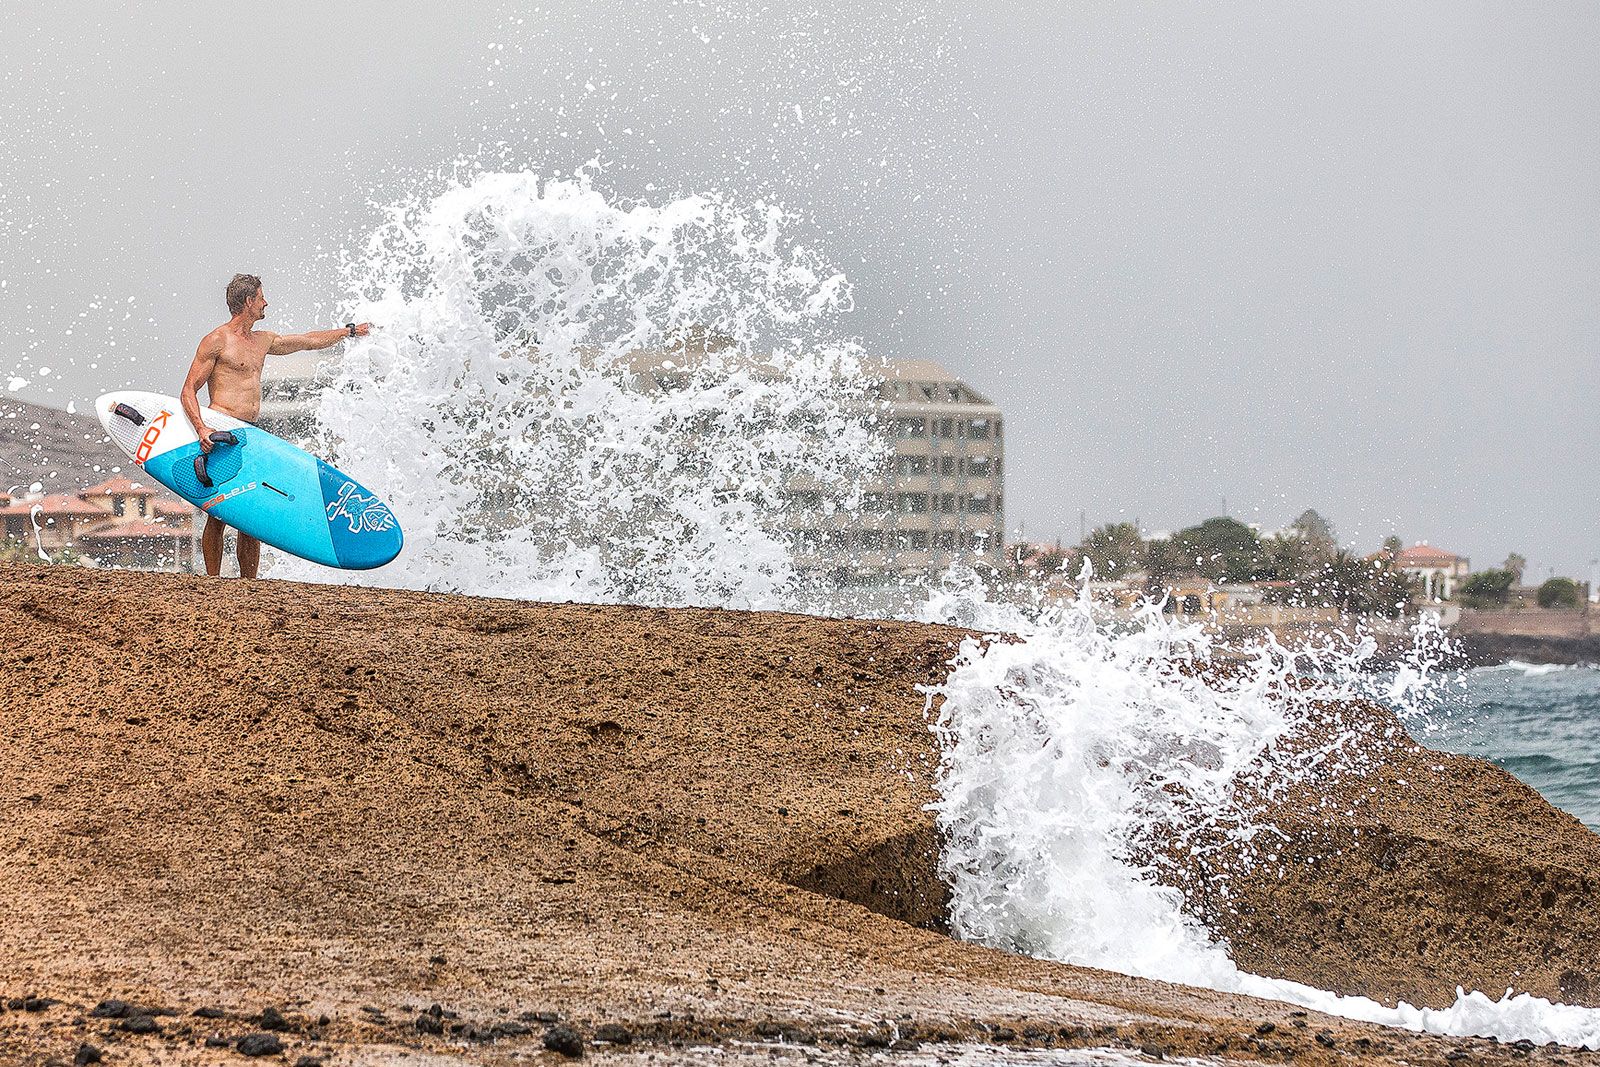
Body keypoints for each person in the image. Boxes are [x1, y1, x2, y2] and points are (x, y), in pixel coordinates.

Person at [181, 273, 371, 578]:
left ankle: (250, 584)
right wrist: (202, 429)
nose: (265, 302)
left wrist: (347, 331)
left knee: (251, 513)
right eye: (261, 297)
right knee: (218, 512)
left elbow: (308, 341)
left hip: (251, 435)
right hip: (222, 430)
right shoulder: (217, 340)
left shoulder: (262, 340)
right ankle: (212, 582)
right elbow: (188, 390)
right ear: (248, 302)